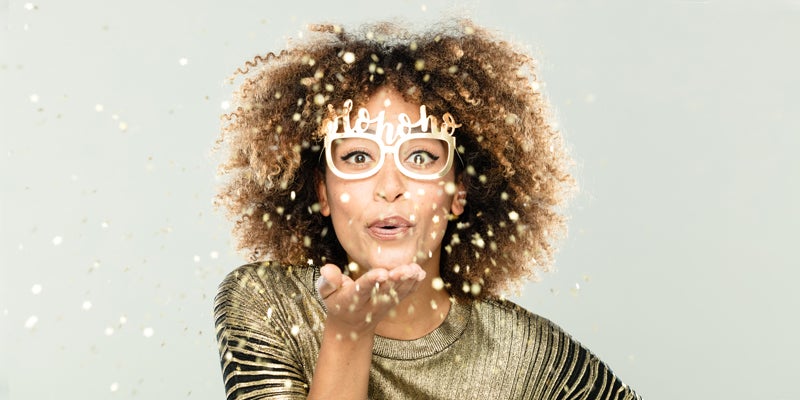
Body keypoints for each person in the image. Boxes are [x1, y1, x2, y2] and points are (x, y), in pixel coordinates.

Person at [214, 19, 641, 400]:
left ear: (458, 192)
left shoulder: (528, 356)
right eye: (358, 157)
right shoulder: (268, 303)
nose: (389, 188)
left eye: (419, 157)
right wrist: (349, 332)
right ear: (322, 192)